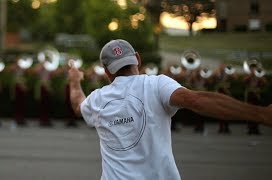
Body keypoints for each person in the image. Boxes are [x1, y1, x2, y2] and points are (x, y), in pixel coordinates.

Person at [68, 39, 272, 180]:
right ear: (137, 59)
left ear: (106, 71)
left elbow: (78, 104)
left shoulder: (98, 99)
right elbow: (198, 100)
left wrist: (75, 81)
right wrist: (260, 114)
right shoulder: (157, 85)